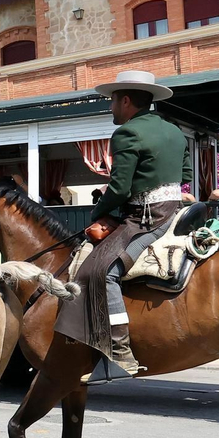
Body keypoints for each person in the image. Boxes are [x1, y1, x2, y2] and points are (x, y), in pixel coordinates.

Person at [59, 70, 193, 384]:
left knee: (103, 271)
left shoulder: (127, 133)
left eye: (113, 101)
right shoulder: (173, 130)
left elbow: (119, 190)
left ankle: (120, 353)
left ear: (127, 101)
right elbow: (185, 171)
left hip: (148, 218)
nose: (111, 108)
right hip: (176, 212)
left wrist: (96, 212)